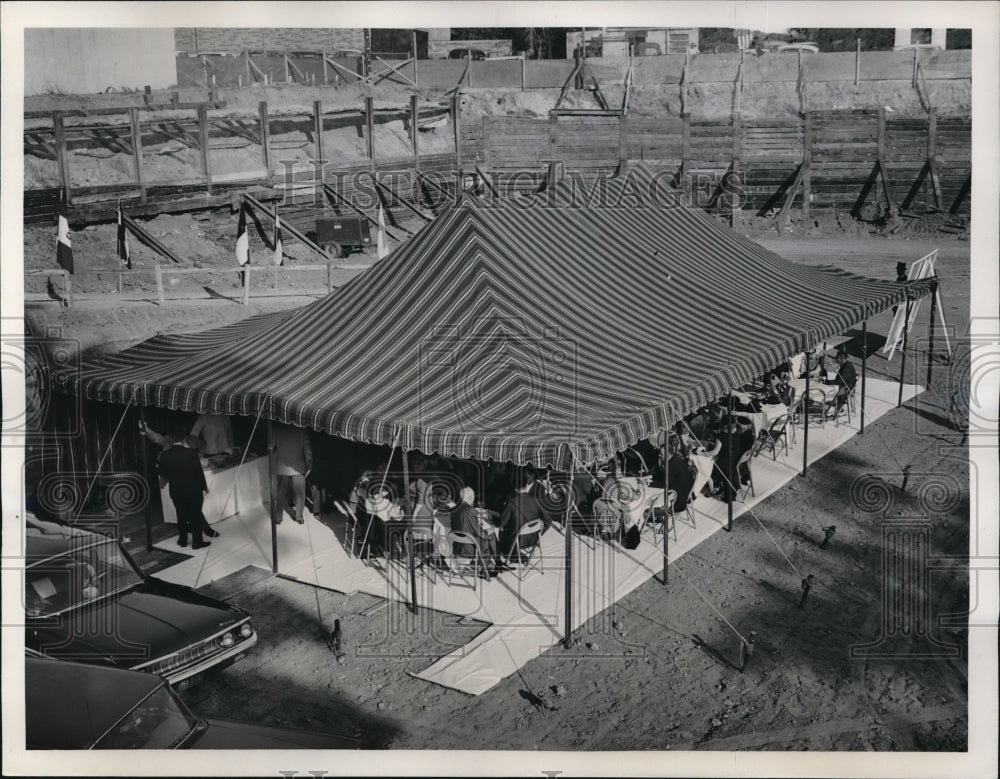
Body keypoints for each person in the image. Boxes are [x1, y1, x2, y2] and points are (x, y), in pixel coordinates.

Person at [157, 431, 211, 549]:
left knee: (180, 515)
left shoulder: (165, 455)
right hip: (193, 490)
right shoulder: (191, 453)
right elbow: (198, 472)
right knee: (195, 515)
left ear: (171, 439)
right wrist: (204, 487)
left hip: (176, 490)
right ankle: (197, 542)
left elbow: (162, 473)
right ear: (184, 439)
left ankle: (182, 540)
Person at [497, 468, 545, 559]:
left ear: (515, 488)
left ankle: (505, 556)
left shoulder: (512, 502)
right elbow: (547, 520)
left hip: (517, 540)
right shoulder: (536, 500)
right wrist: (539, 531)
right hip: (534, 539)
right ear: (526, 485)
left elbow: (502, 523)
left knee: (500, 531)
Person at [450, 486, 498, 574]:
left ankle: (491, 562)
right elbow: (480, 533)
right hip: (469, 549)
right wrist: (489, 530)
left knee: (486, 533)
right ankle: (487, 565)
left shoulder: (454, 509)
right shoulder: (471, 511)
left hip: (457, 547)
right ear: (471, 497)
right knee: (490, 533)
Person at [272, 422, 312, 525]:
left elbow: (272, 447)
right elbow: (307, 450)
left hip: (282, 465)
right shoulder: (302, 430)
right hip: (298, 466)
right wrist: (309, 464)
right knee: (300, 493)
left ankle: (278, 517)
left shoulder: (278, 429)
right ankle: (299, 517)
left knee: (280, 492)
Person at [710, 416, 756, 502]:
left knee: (710, 467)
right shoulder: (740, 435)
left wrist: (703, 453)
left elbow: (715, 452)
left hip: (725, 465)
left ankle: (716, 487)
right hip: (739, 464)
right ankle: (722, 486)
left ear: (723, 426)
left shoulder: (721, 437)